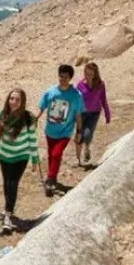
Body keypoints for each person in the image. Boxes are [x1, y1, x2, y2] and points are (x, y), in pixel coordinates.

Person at [0, 88, 39, 234]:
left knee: (13, 184)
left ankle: (8, 215)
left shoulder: (28, 118)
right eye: (11, 98)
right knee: (6, 184)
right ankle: (8, 208)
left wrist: (35, 159)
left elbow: (32, 139)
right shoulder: (1, 116)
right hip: (4, 157)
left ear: (22, 102)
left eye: (17, 99)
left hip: (21, 157)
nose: (14, 102)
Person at [37, 64, 84, 196]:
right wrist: (35, 118)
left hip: (65, 133)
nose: (62, 79)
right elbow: (41, 107)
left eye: (65, 77)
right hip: (50, 131)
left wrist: (79, 132)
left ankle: (50, 179)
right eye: (61, 76)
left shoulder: (76, 95)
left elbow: (78, 115)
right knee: (51, 155)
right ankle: (52, 176)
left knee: (56, 154)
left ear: (70, 78)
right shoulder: (50, 92)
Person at [74, 62, 111, 166]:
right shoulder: (80, 85)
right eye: (86, 74)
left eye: (90, 74)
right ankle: (78, 161)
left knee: (87, 133)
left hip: (94, 113)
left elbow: (103, 100)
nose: (88, 76)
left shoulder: (100, 85)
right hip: (81, 113)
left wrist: (107, 114)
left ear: (95, 74)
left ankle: (87, 149)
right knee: (79, 135)